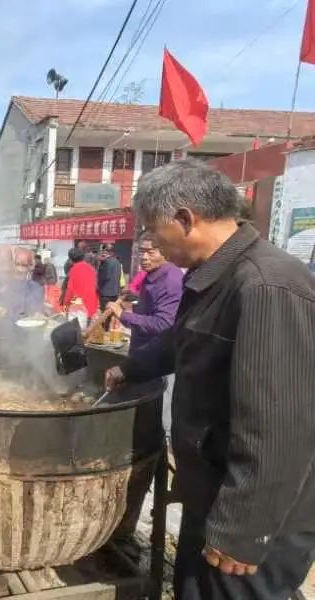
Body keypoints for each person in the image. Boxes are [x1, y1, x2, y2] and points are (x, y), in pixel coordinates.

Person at [106, 159, 315, 600]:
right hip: (213, 493)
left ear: (184, 219)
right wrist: (130, 367)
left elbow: (279, 426)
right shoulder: (211, 277)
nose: (149, 242)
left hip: (256, 518)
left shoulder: (265, 287)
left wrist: (243, 530)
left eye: (152, 229)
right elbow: (182, 341)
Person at [104, 231, 183, 542]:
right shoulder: (149, 277)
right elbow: (138, 307)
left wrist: (126, 315)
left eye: (150, 251)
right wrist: (122, 311)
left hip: (160, 367)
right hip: (141, 361)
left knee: (154, 434)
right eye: (142, 251)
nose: (144, 257)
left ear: (166, 251)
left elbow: (165, 324)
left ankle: (138, 503)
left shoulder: (171, 279)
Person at [62, 248, 98, 317]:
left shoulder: (73, 271)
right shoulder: (92, 270)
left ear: (71, 260)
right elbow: (95, 287)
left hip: (80, 310)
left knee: (78, 327)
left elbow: (69, 293)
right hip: (92, 307)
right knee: (89, 327)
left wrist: (65, 306)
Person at [96, 243, 122, 310]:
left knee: (105, 314)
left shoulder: (105, 263)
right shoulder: (117, 262)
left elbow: (102, 278)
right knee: (112, 313)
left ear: (105, 251)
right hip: (115, 292)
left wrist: (98, 286)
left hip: (106, 294)